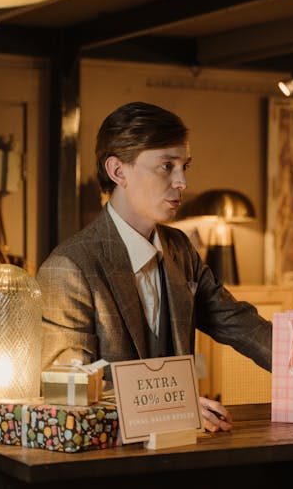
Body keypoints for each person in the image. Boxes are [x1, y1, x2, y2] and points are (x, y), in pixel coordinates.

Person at [37, 101, 272, 432]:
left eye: (184, 166)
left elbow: (241, 325)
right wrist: (172, 407)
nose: (182, 182)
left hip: (178, 455)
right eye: (166, 166)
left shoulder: (180, 248)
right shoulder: (68, 267)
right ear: (118, 171)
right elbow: (66, 392)